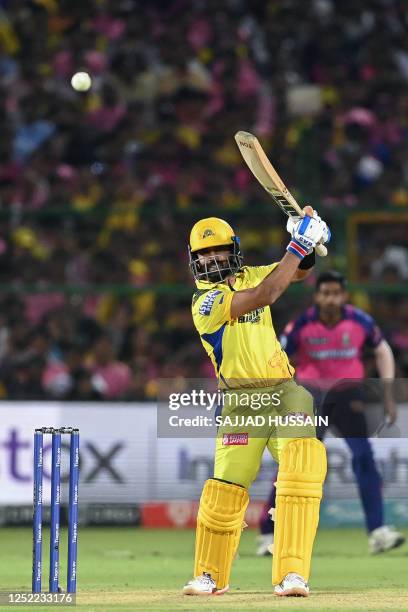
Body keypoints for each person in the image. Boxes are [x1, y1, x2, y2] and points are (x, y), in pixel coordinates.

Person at [182, 208, 331, 597]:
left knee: (304, 465)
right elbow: (268, 293)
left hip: (285, 391)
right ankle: (210, 576)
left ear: (232, 250)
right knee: (227, 486)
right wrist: (298, 243)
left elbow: (296, 272)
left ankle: (292, 574)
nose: (211, 259)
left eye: (217, 251)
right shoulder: (205, 304)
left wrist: (311, 242)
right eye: (203, 255)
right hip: (239, 402)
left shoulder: (251, 273)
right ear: (194, 261)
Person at [257, 270, 405, 556]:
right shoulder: (302, 324)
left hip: (348, 396)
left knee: (364, 457)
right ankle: (268, 532)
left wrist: (387, 394)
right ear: (317, 297)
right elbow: (276, 356)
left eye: (336, 293)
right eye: (325, 293)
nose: (331, 299)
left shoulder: (359, 321)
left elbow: (383, 350)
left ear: (344, 296)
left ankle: (378, 531)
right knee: (295, 462)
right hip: (312, 397)